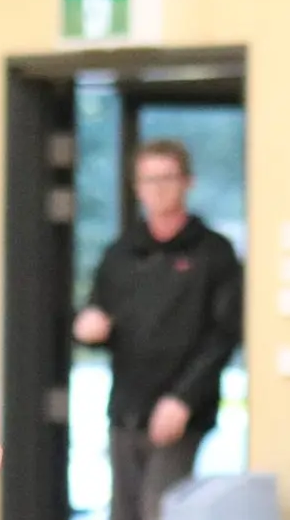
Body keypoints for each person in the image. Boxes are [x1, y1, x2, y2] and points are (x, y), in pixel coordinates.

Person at [73, 139, 244, 520]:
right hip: (126, 408)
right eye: (149, 180)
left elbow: (224, 336)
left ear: (187, 182)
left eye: (167, 178)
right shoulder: (122, 253)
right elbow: (96, 314)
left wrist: (183, 399)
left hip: (182, 410)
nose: (158, 188)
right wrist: (87, 327)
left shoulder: (213, 253)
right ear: (137, 188)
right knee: (124, 512)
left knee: (161, 509)